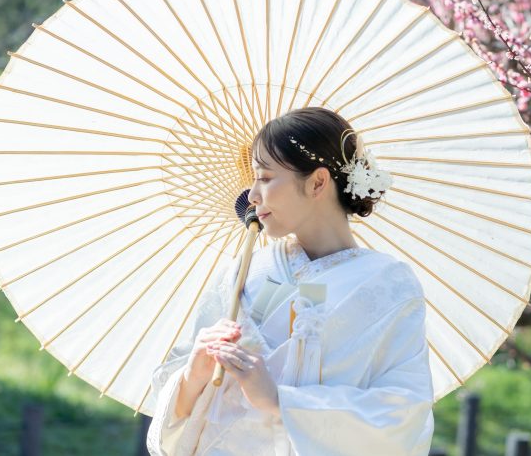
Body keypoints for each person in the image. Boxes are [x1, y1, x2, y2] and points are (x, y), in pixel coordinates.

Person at [146, 107, 435, 455]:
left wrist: (280, 400)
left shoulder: (387, 285)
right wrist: (193, 377)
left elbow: (403, 413)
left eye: (265, 178)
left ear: (317, 182)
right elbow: (184, 407)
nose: (251, 195)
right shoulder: (250, 268)